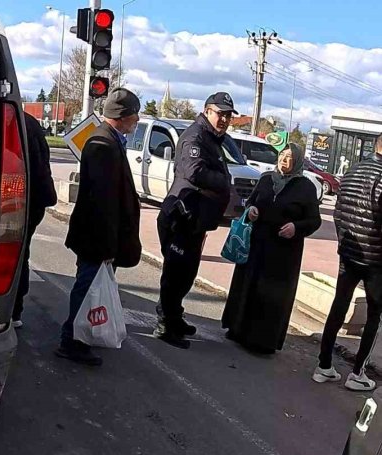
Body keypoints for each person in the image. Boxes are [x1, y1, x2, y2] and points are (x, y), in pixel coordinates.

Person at [58, 88, 142, 366]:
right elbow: (101, 202)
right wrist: (107, 247)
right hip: (96, 237)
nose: (137, 120)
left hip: (99, 236)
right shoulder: (103, 144)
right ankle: (72, 340)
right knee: (87, 288)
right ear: (122, 116)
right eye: (134, 114)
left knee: (90, 286)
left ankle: (81, 335)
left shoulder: (109, 139)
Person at [154, 92, 235, 349]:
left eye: (228, 115)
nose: (224, 119)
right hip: (182, 217)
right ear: (207, 110)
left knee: (186, 273)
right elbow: (194, 171)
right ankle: (165, 325)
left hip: (196, 220)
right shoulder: (195, 136)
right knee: (175, 273)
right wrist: (225, 182)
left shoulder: (213, 138)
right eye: (220, 113)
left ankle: (175, 316)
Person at [222, 143, 321, 354]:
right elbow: (251, 201)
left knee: (272, 295)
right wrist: (251, 209)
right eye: (282, 155)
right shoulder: (266, 178)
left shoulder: (305, 187)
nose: (284, 160)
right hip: (257, 244)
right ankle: (237, 330)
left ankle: (262, 341)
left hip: (283, 252)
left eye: (289, 157)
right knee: (248, 286)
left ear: (297, 162)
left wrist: (296, 227)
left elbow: (314, 220)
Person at [313, 133, 382, 391]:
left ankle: (324, 366)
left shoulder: (352, 171)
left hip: (350, 252)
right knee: (374, 315)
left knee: (339, 305)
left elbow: (338, 212)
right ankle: (357, 373)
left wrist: (344, 241)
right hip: (376, 258)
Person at [12, 111, 58, 328]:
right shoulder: (29, 122)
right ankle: (15, 310)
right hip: (33, 201)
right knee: (21, 254)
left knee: (12, 255)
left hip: (16, 200)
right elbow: (43, 162)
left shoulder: (3, 118)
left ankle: (10, 308)